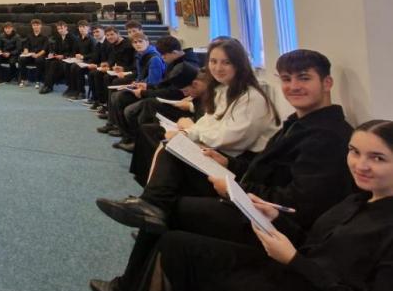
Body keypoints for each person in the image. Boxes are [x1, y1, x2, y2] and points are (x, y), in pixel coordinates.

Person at [122, 119, 392, 291]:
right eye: (354, 152)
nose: (360, 165)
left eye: (377, 158)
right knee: (175, 245)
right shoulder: (357, 200)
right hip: (296, 275)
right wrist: (275, 219)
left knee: (193, 257)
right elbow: (314, 246)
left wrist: (294, 261)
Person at [95, 37, 281, 235]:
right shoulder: (224, 89)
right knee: (167, 141)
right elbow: (209, 121)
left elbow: (230, 138)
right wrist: (187, 133)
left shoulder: (252, 97)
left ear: (239, 64)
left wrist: (187, 133)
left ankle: (152, 204)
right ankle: (151, 203)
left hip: (239, 164)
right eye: (213, 61)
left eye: (226, 62)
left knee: (171, 148)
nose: (218, 68)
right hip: (221, 152)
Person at [101, 33, 166, 141]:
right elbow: (140, 75)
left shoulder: (154, 58)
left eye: (140, 41)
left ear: (147, 42)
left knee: (119, 97)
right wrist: (135, 83)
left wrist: (139, 85)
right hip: (141, 86)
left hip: (150, 90)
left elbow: (154, 81)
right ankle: (117, 126)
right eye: (135, 42)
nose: (138, 44)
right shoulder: (139, 55)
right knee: (115, 93)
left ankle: (127, 134)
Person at [41, 20, 75, 95]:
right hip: (59, 58)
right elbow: (55, 49)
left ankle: (48, 86)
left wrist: (63, 56)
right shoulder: (58, 37)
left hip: (68, 59)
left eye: (61, 28)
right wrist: (52, 53)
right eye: (58, 29)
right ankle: (47, 84)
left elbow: (74, 52)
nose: (60, 30)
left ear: (66, 28)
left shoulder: (72, 38)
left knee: (53, 64)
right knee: (48, 62)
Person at [18, 19, 48, 89]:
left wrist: (37, 55)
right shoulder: (29, 36)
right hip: (30, 55)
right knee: (21, 59)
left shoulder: (45, 37)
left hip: (39, 55)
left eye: (37, 25)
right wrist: (25, 50)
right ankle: (24, 79)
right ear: (32, 26)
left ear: (40, 26)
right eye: (34, 25)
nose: (35, 27)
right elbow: (26, 46)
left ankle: (38, 81)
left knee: (39, 60)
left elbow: (44, 50)